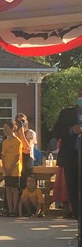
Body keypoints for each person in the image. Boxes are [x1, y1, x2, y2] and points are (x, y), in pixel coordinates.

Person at [52, 87, 82, 220]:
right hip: (71, 157)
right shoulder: (66, 113)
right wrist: (71, 130)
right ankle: (78, 220)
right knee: (73, 190)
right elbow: (56, 132)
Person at [1, 121, 22, 217]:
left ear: (12, 129)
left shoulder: (18, 141)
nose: (5, 130)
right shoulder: (4, 142)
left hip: (15, 169)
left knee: (14, 189)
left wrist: (11, 168)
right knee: (8, 189)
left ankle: (15, 209)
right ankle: (9, 209)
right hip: (6, 169)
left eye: (7, 128)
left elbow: (17, 157)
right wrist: (5, 167)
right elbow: (3, 156)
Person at [15, 113, 37, 189]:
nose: (21, 123)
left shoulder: (31, 133)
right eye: (19, 122)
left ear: (26, 121)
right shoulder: (14, 134)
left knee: (25, 178)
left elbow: (27, 147)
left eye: (23, 121)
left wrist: (21, 133)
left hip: (27, 158)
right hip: (17, 157)